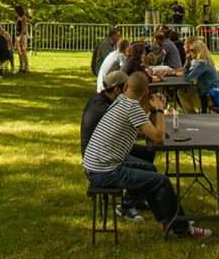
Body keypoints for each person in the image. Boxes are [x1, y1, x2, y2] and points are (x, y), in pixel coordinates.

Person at [83, 70, 211, 239]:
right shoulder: (131, 108)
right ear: (145, 92)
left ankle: (167, 221)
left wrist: (150, 108)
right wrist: (158, 109)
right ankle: (181, 229)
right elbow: (158, 137)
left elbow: (141, 120)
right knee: (162, 181)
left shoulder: (121, 101)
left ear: (126, 86)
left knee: (150, 169)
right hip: (105, 172)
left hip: (95, 164)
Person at [79, 70, 156, 222]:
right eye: (126, 88)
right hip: (101, 156)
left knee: (147, 154)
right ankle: (127, 204)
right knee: (146, 158)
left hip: (104, 151)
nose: (128, 92)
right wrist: (146, 127)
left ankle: (136, 196)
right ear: (117, 89)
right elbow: (127, 130)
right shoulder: (102, 107)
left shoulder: (105, 100)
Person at [14, 5, 30, 74]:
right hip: (18, 36)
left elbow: (24, 28)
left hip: (22, 36)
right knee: (19, 52)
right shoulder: (19, 17)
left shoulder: (23, 17)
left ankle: (26, 67)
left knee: (23, 52)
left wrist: (21, 37)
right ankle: (21, 67)